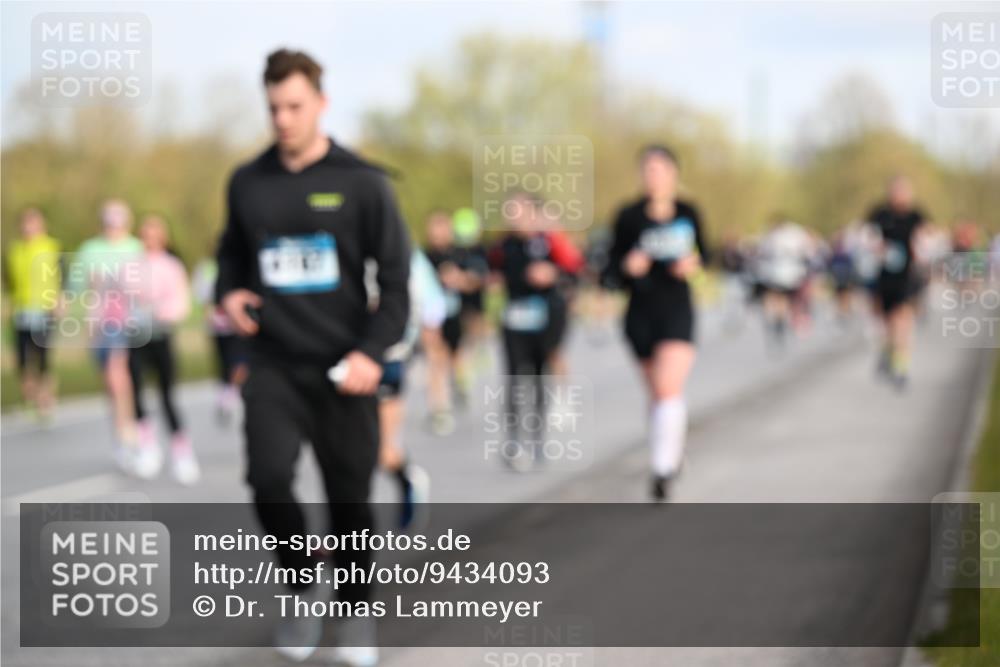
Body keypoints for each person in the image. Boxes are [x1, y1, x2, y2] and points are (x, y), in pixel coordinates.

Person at [215, 49, 409, 667]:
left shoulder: (364, 183)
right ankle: (302, 586)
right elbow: (230, 259)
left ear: (321, 104)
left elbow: (400, 287)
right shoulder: (247, 182)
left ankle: (354, 615)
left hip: (344, 369)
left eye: (294, 106)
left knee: (349, 500)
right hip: (274, 364)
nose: (283, 119)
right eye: (273, 108)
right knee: (268, 479)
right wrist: (230, 292)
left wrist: (372, 355)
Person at [603, 145, 708, 502]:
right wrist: (627, 267)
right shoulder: (628, 217)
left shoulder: (688, 213)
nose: (654, 176)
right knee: (657, 395)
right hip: (640, 311)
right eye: (647, 170)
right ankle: (671, 452)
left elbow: (704, 256)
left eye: (660, 170)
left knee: (667, 387)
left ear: (674, 174)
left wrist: (691, 265)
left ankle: (662, 469)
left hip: (676, 307)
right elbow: (609, 269)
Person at [489, 192, 582, 471]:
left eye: (518, 210)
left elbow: (575, 271)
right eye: (509, 211)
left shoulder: (550, 241)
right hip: (514, 320)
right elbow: (489, 271)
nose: (513, 216)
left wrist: (552, 274)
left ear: (532, 212)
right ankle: (515, 441)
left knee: (541, 378)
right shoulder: (502, 246)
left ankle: (538, 439)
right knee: (515, 380)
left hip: (545, 319)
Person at [72, 199, 148, 475]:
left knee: (119, 377)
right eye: (109, 223)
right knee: (110, 382)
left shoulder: (136, 248)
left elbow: (146, 285)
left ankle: (130, 434)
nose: (114, 229)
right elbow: (76, 287)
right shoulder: (90, 250)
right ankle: (121, 433)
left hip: (127, 323)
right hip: (99, 324)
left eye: (119, 223)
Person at [377, 250, 445, 530]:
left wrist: (421, 335)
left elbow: (432, 302)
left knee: (382, 451)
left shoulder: (405, 253)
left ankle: (407, 478)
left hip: (386, 356)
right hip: (338, 360)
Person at [128, 215, 199, 484]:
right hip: (136, 335)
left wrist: (160, 311)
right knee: (136, 390)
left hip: (161, 335)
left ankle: (181, 451)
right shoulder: (131, 265)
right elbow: (123, 298)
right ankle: (147, 446)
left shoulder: (171, 265)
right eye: (146, 234)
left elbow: (179, 302)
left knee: (167, 393)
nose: (150, 239)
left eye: (155, 234)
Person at [423, 210, 485, 432]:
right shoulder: (424, 257)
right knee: (435, 360)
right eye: (434, 228)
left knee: (456, 356)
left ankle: (461, 384)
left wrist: (459, 279)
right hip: (431, 318)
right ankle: (439, 409)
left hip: (456, 314)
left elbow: (477, 280)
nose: (437, 233)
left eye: (442, 228)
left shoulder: (461, 254)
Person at [866, 175, 928, 390]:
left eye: (904, 191)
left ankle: (901, 369)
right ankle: (886, 355)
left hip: (907, 278)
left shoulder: (915, 215)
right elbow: (867, 238)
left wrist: (922, 252)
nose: (900, 195)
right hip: (883, 278)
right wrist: (877, 248)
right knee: (887, 324)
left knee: (903, 322)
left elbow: (926, 240)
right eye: (896, 190)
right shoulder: (880, 214)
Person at [4, 208, 61, 421]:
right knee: (22, 358)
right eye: (26, 223)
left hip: (44, 309)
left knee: (42, 356)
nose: (29, 228)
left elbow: (61, 276)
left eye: (33, 223)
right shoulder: (14, 250)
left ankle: (45, 400)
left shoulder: (52, 247)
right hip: (21, 311)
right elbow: (9, 281)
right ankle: (30, 395)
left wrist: (60, 300)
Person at [192, 257, 249, 425]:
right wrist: (208, 316)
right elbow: (203, 297)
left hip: (236, 325)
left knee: (240, 363)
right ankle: (226, 395)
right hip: (218, 325)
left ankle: (232, 394)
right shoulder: (208, 267)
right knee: (224, 363)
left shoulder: (238, 265)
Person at [752, 215, 813, 352]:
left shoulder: (772, 236)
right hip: (783, 276)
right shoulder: (793, 236)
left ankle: (777, 323)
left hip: (779, 276)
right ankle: (778, 323)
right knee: (779, 301)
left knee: (776, 300)